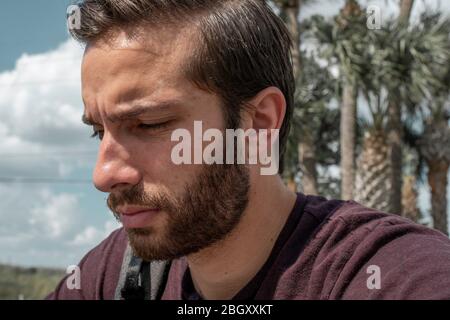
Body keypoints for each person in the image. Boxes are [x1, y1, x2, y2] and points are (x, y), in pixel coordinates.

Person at [47, 0, 450, 300]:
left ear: (258, 124)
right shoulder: (118, 274)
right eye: (100, 131)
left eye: (149, 125)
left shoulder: (390, 276)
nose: (102, 176)